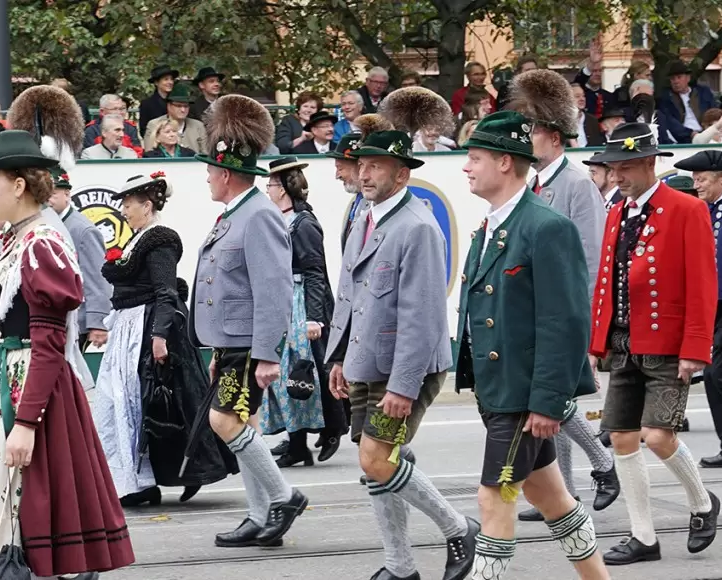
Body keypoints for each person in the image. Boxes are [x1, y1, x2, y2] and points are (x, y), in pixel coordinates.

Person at [0, 127, 134, 579]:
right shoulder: (16, 239)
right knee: (8, 501)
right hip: (3, 381)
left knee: (30, 501)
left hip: (29, 387)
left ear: (20, 185)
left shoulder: (41, 243)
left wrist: (25, 423)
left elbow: (48, 343)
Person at [456, 111, 609, 579]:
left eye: (475, 158)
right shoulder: (492, 225)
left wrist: (548, 401)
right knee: (550, 497)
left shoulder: (546, 226)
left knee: (493, 496)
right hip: (499, 389)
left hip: (523, 396)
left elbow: (564, 322)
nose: (467, 167)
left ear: (505, 163)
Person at [327, 129, 478, 580]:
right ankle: (400, 566)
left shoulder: (418, 226)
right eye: (363, 165)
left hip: (403, 368)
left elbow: (423, 315)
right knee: (376, 462)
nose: (364, 173)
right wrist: (339, 358)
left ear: (402, 173)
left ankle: (458, 528)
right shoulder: (365, 217)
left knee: (377, 459)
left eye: (376, 166)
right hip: (364, 361)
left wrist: (403, 386)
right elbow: (348, 295)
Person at [588, 122, 720, 565]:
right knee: (623, 438)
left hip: (668, 342)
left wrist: (695, 348)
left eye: (625, 167)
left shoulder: (685, 208)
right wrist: (598, 338)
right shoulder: (616, 211)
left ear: (649, 163)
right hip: (624, 341)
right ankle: (643, 537)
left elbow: (703, 283)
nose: (617, 175)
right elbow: (607, 280)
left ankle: (703, 503)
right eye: (613, 168)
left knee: (658, 436)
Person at [192, 94, 307, 547]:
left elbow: (274, 289)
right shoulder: (237, 213)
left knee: (226, 423)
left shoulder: (258, 216)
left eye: (208, 172)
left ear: (223, 174)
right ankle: (260, 516)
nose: (206, 178)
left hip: (248, 343)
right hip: (231, 341)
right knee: (246, 424)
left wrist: (266, 353)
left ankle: (283, 497)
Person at [506, 69, 620, 522]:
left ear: (552, 135)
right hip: (533, 311)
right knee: (547, 398)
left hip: (563, 312)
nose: (523, 137)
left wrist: (589, 325)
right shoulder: (531, 185)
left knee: (554, 398)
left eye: (529, 129)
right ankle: (567, 488)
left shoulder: (574, 185)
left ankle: (603, 462)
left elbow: (591, 260)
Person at [93, 171, 237, 508]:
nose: (124, 210)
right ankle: (137, 479)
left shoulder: (159, 239)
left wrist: (159, 337)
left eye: (129, 203)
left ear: (146, 205)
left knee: (157, 404)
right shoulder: (139, 237)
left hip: (148, 329)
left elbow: (165, 291)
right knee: (125, 403)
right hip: (130, 327)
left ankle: (163, 477)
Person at [259, 157, 344, 468]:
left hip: (298, 300)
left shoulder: (303, 223)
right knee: (283, 373)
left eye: (270, 184)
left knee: (300, 371)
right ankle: (296, 440)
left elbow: (314, 272)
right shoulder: (278, 218)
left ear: (282, 189)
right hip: (281, 299)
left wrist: (313, 317)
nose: (267, 189)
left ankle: (328, 429)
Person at [673, 150, 722, 469]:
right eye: (694, 179)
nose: (696, 184)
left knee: (719, 374)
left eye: (702, 178)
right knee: (714, 376)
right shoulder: (706, 210)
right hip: (712, 306)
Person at [44, 169, 111, 349]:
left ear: (67, 194)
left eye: (52, 193)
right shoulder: (47, 224)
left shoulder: (83, 230)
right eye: (44, 194)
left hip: (75, 321)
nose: (47, 199)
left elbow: (97, 277)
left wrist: (97, 321)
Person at [658, 61, 718, 144]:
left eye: (679, 77)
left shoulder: (703, 92)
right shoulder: (666, 98)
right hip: (683, 137)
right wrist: (691, 134)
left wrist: (709, 130)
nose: (676, 81)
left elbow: (714, 112)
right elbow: (670, 121)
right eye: (673, 78)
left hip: (706, 132)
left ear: (688, 78)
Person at [142, 83, 207, 154]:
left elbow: (205, 154)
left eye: (186, 106)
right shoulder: (154, 124)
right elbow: (149, 154)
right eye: (178, 106)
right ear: (168, 106)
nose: (183, 110)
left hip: (194, 164)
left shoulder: (198, 126)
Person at [139, 64, 179, 136]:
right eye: (166, 79)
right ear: (156, 82)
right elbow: (144, 130)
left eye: (171, 79)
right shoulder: (147, 104)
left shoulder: (178, 101)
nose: (170, 82)